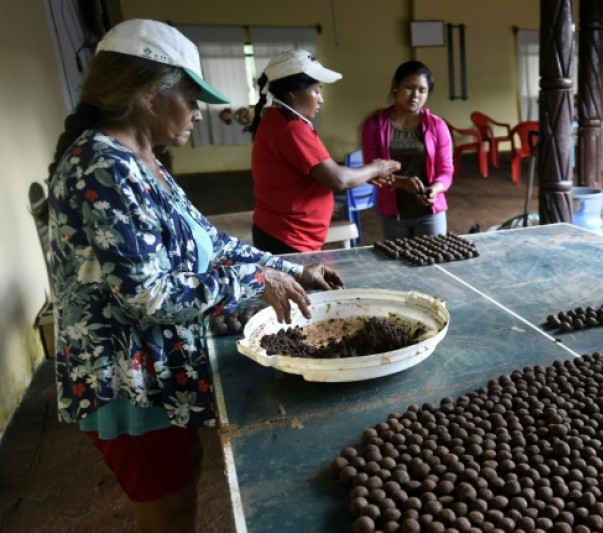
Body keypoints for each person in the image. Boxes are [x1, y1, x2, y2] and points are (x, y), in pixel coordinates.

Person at [46, 19, 343, 533]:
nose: (199, 110)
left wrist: (289, 268)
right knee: (169, 512)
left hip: (166, 369)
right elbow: (150, 296)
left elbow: (211, 243)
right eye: (190, 96)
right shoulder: (101, 167)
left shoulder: (146, 161)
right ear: (147, 94)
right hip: (131, 378)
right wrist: (255, 284)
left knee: (186, 478)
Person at [247, 49, 400, 253]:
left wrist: (362, 176)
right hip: (288, 238)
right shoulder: (291, 128)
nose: (321, 99)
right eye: (316, 90)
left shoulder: (279, 119)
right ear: (293, 92)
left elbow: (317, 171)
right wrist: (375, 168)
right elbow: (337, 179)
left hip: (284, 234)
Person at [361, 61, 454, 239]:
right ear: (395, 85)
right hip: (392, 215)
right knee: (398, 263)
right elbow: (370, 172)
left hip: (430, 213)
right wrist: (402, 182)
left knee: (431, 262)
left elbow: (446, 171)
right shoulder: (373, 125)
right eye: (409, 87)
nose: (415, 96)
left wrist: (434, 189)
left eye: (422, 90)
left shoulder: (437, 125)